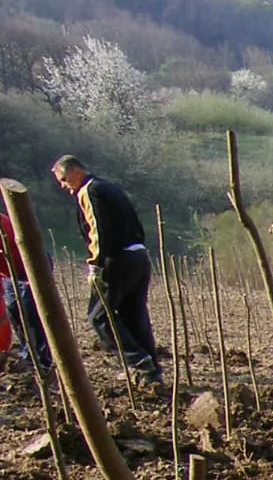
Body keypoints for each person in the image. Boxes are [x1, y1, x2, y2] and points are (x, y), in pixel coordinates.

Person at [49, 155, 159, 383]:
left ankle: (137, 360)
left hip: (117, 260)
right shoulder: (109, 187)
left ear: (75, 172)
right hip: (139, 254)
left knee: (99, 316)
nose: (62, 185)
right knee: (134, 314)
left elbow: (98, 231)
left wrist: (95, 265)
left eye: (63, 179)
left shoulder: (89, 190)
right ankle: (151, 371)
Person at [0, 205, 53, 373]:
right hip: (10, 272)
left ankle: (42, 362)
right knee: (14, 311)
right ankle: (27, 355)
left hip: (31, 265)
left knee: (31, 315)